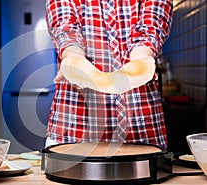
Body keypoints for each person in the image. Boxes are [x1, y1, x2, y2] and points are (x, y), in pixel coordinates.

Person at [44, 0, 173, 150]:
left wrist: (141, 59)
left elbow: (152, 23)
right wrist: (73, 56)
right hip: (74, 126)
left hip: (140, 127)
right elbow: (64, 24)